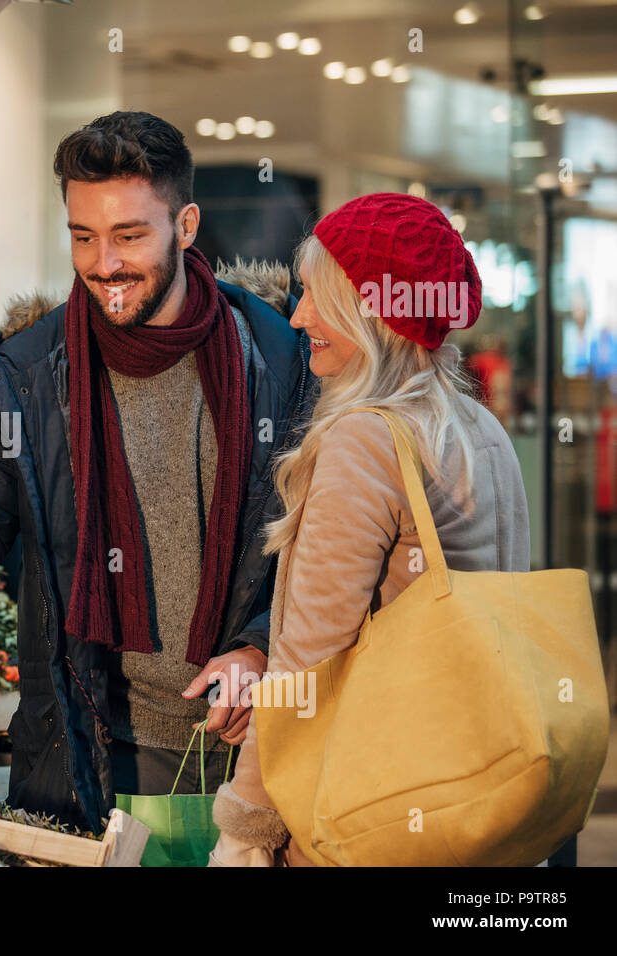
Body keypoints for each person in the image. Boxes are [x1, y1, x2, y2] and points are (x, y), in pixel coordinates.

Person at [0, 110, 314, 831]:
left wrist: (258, 645)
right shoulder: (27, 376)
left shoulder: (280, 361)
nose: (104, 264)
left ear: (185, 227)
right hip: (89, 763)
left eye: (129, 236)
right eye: (83, 237)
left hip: (266, 760)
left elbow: (324, 543)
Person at [208, 192, 530, 865]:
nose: (299, 318)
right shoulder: (480, 430)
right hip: (467, 792)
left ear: (374, 310)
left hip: (362, 810)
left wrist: (246, 826)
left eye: (317, 297)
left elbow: (309, 661)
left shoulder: (365, 439)